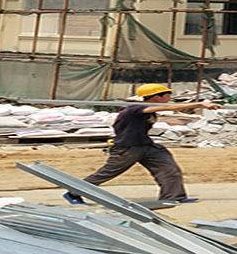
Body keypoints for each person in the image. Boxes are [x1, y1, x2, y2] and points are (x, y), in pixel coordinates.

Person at [64, 83, 219, 205]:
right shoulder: (135, 108)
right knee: (106, 173)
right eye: (167, 95)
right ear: (156, 97)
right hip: (127, 147)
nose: (169, 98)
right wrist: (200, 104)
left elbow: (167, 109)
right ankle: (74, 192)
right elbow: (170, 108)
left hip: (146, 145)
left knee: (168, 168)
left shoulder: (148, 109)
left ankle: (173, 197)